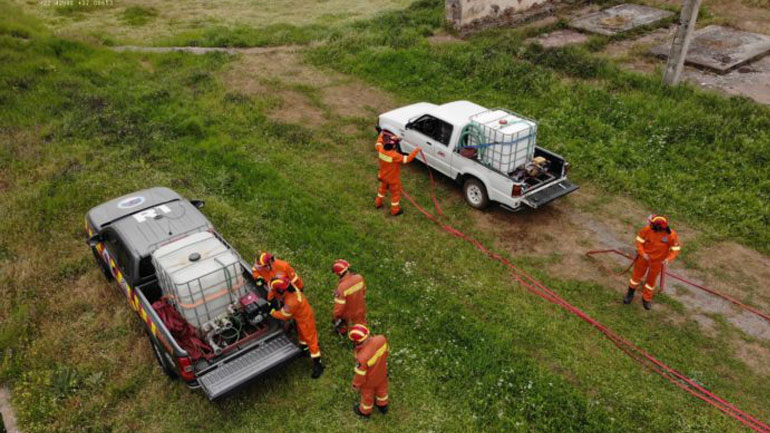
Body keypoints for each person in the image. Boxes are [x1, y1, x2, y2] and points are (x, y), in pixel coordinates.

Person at [269, 274, 324, 378]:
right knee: (301, 334)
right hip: (300, 317)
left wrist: (272, 312)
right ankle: (304, 349)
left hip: (305, 319)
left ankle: (318, 365)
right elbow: (275, 290)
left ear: (281, 290)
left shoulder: (291, 302)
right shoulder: (289, 286)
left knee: (311, 340)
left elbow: (284, 315)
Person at [623, 215, 681, 310]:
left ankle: (646, 299)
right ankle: (630, 294)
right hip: (643, 259)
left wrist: (668, 259)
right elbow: (639, 242)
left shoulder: (671, 235)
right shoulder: (647, 230)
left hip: (657, 262)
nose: (650, 225)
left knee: (651, 281)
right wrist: (642, 253)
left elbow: (676, 248)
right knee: (636, 277)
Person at [375, 131, 421, 216]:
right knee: (395, 193)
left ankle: (378, 203)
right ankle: (395, 210)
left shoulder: (381, 150)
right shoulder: (394, 156)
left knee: (382, 189)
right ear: (394, 147)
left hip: (382, 176)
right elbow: (407, 159)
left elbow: (378, 143)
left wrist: (381, 135)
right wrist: (416, 151)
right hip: (392, 179)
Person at [348, 324, 389, 418]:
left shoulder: (362, 357)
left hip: (369, 382)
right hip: (382, 374)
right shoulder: (381, 339)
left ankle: (365, 412)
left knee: (367, 396)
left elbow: (360, 375)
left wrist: (356, 384)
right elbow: (386, 353)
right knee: (382, 390)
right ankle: (383, 406)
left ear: (357, 342)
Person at [331, 259, 367, 336]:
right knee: (360, 323)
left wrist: (335, 316)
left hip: (347, 312)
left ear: (339, 274)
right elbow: (363, 291)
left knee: (343, 324)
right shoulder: (359, 278)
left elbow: (339, 307)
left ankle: (343, 333)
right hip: (360, 307)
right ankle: (361, 335)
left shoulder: (342, 287)